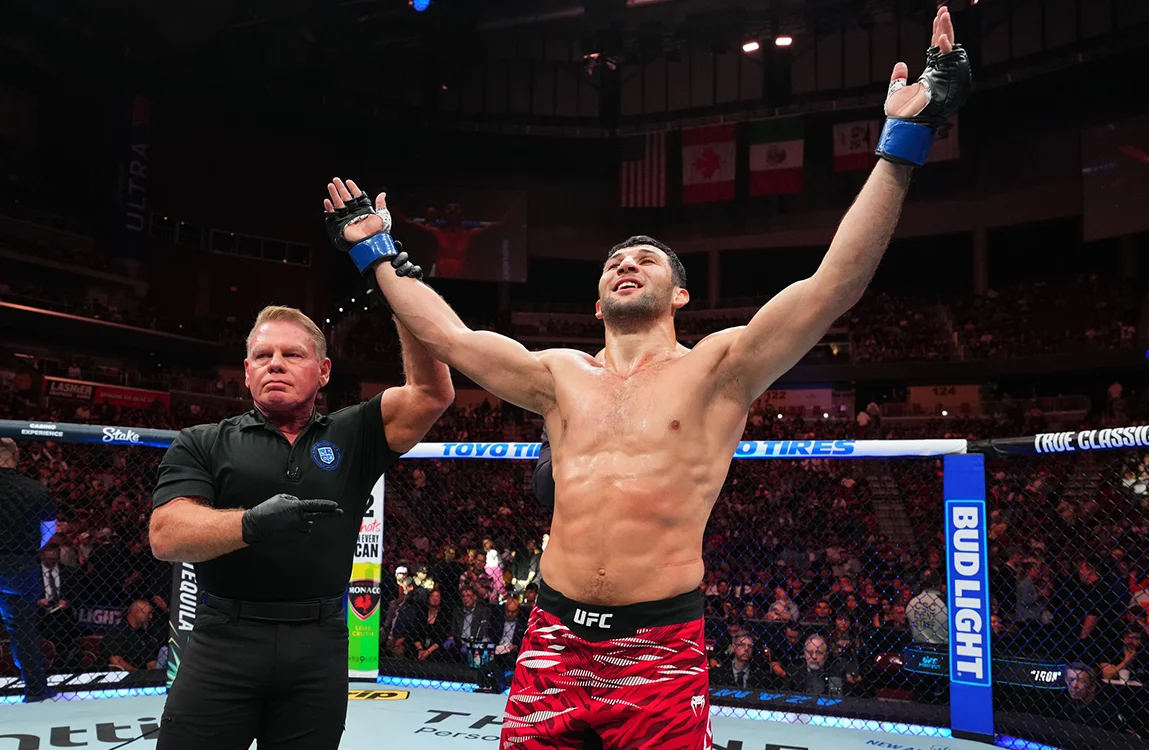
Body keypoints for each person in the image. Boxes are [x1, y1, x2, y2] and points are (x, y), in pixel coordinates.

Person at [323, 8, 969, 746]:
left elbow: (834, 285)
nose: (627, 263)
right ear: (598, 302)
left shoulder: (718, 370)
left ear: (680, 294)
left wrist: (902, 142)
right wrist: (375, 252)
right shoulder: (558, 374)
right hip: (553, 639)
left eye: (647, 260)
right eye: (615, 263)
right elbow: (449, 337)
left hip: (659, 649)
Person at [148, 305, 453, 749]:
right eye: (262, 355)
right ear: (247, 372)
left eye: (292, 354)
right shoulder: (203, 441)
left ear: (324, 371)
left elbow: (431, 393)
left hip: (318, 645)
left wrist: (404, 302)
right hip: (223, 641)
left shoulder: (355, 433)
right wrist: (252, 523)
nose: (275, 363)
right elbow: (166, 534)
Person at [0, 437, 54, 702]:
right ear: (15, 455)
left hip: (19, 563)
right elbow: (49, 529)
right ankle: (35, 690)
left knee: (22, 629)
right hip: (19, 565)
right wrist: (31, 546)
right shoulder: (34, 489)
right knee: (22, 630)